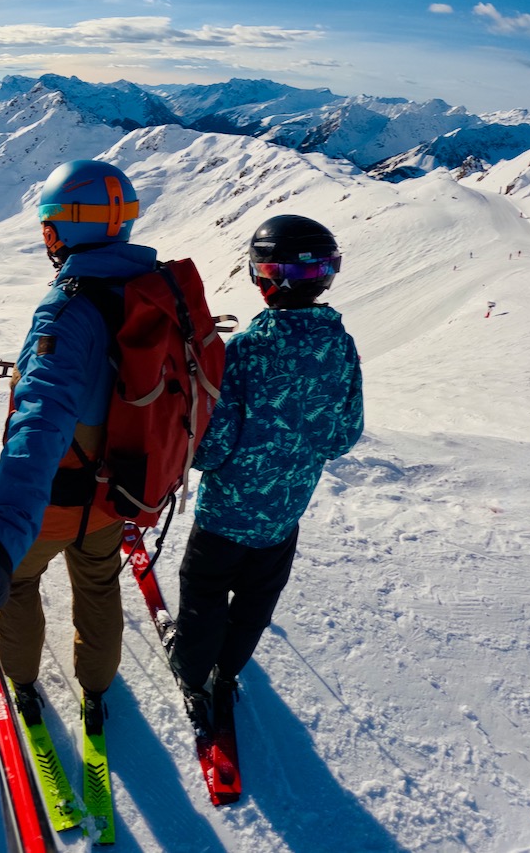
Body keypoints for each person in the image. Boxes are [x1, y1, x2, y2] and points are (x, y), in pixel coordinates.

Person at [0, 158, 157, 736]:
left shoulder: (67, 311)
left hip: (52, 505)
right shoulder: (148, 294)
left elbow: (37, 428)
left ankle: (22, 678)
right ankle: (96, 686)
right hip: (116, 494)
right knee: (99, 581)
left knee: (15, 581)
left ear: (55, 231)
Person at [168, 214, 363, 728]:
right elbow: (344, 434)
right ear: (325, 276)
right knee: (256, 600)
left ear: (264, 278)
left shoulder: (248, 351)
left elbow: (211, 448)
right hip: (285, 514)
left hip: (224, 516)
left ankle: (191, 672)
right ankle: (229, 670)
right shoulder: (338, 345)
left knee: (204, 594)